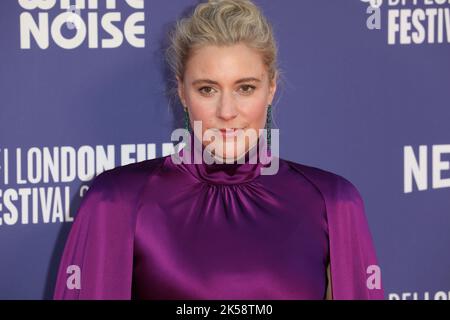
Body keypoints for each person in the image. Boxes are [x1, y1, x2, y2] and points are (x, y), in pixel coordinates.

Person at [53, 0, 384, 300]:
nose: (227, 111)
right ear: (182, 93)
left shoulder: (333, 202)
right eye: (208, 89)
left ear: (271, 89)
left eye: (245, 88)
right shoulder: (117, 201)